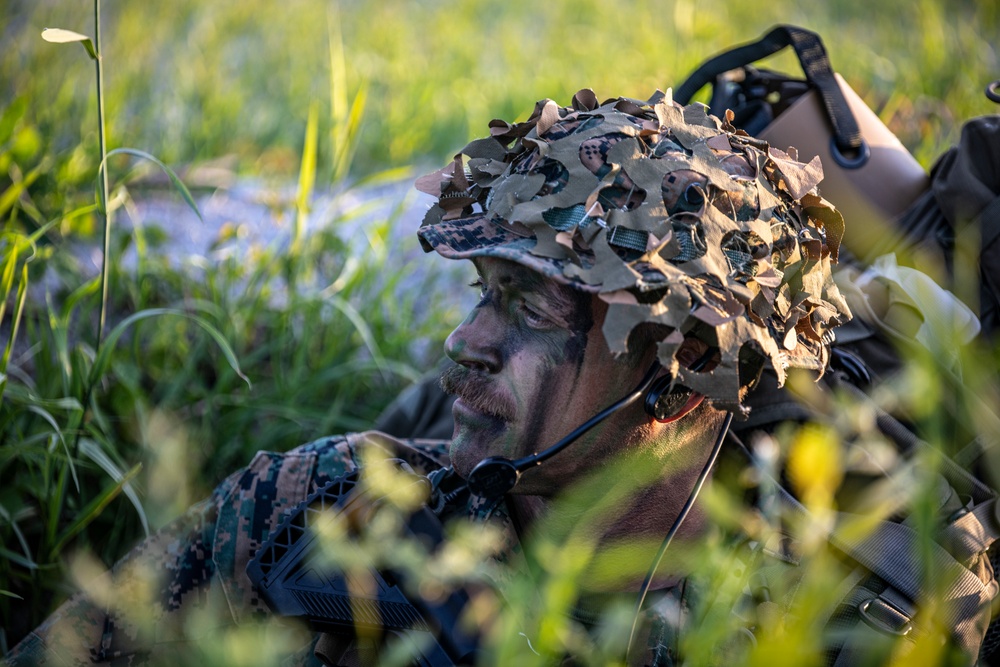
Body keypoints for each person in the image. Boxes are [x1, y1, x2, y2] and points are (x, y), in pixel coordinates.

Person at [4, 88, 900, 666]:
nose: (465, 342)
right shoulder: (311, 503)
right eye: (484, 294)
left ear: (682, 371)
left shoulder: (815, 631)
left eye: (528, 309)